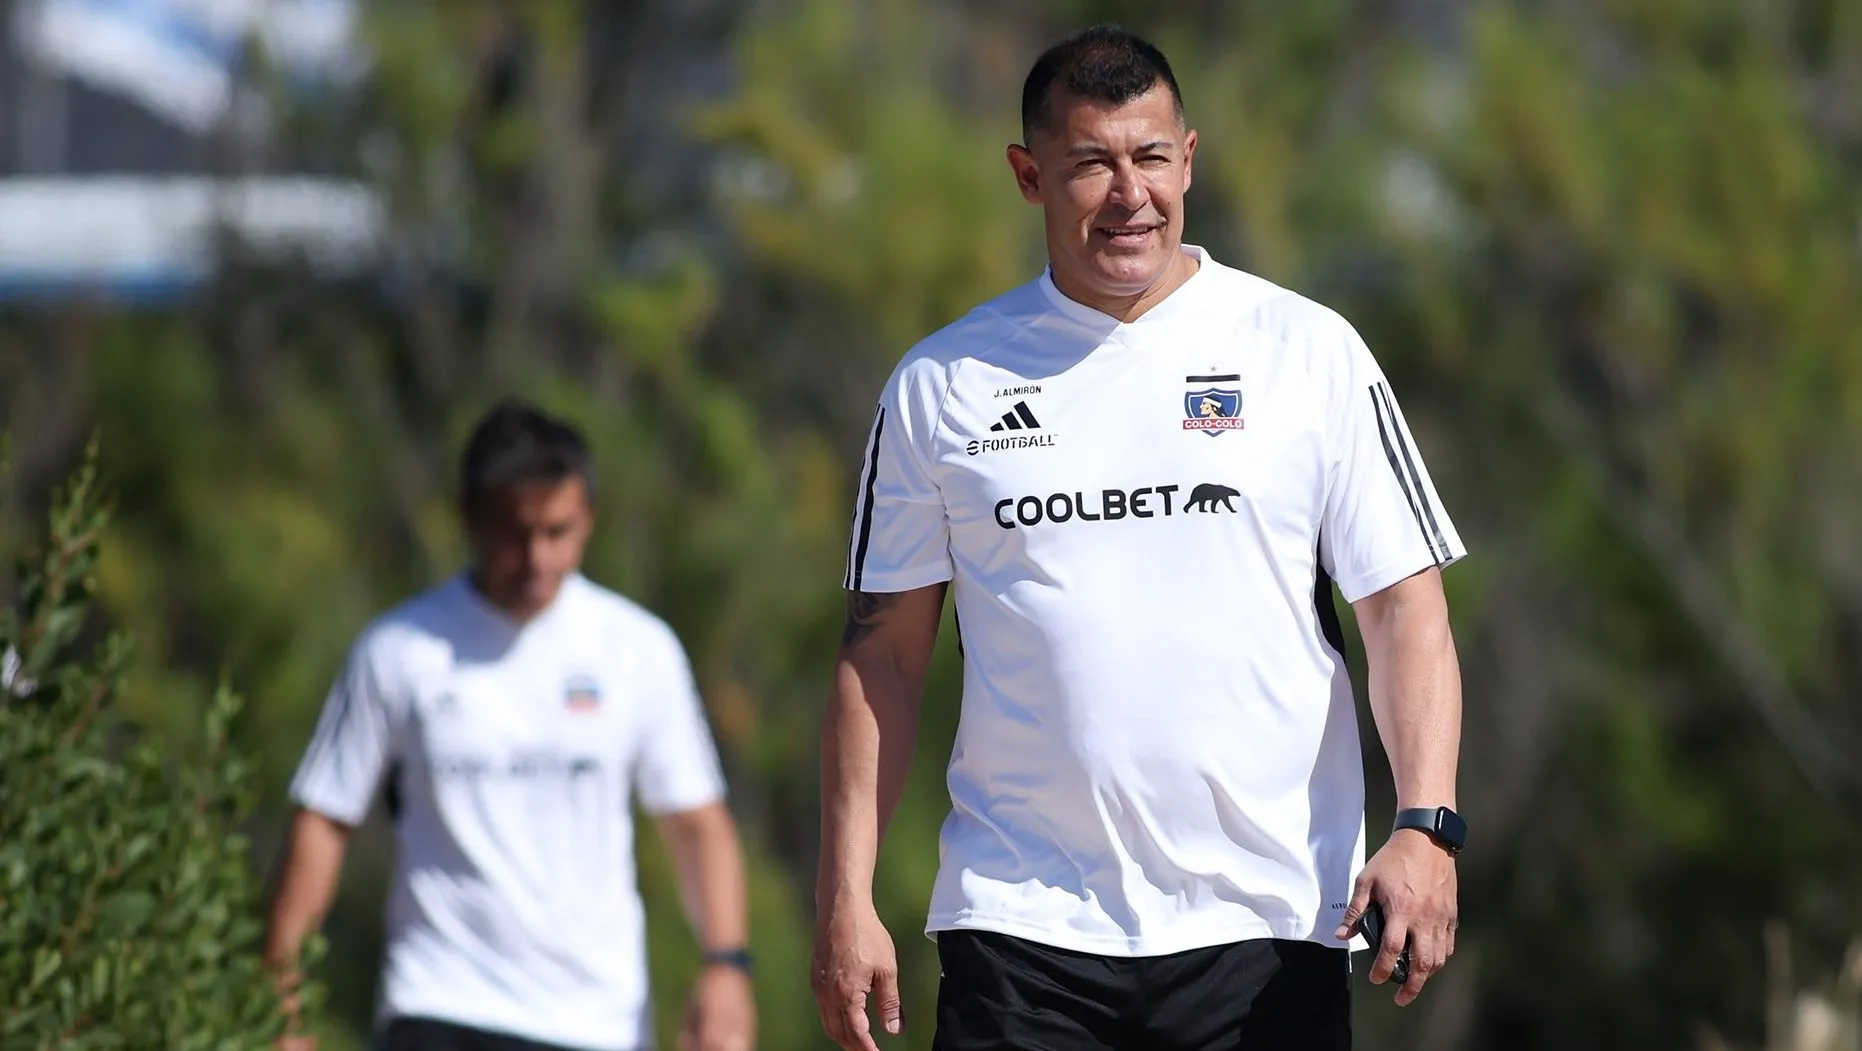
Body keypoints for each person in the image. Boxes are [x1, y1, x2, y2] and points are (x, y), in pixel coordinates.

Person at [811, 23, 1469, 1051]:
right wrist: (843, 893)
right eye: (1090, 165)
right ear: (1029, 176)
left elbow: (1402, 608)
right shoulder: (941, 384)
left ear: (1188, 159)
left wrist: (1426, 824)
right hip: (1019, 928)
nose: (1129, 195)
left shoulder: (1306, 351)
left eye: (1150, 158)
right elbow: (882, 657)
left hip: (1265, 924)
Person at [264, 400, 757, 1051]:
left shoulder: (637, 648)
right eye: (514, 533)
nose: (536, 558)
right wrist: (279, 994)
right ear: (470, 519)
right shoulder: (399, 649)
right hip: (439, 1001)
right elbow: (325, 818)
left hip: (596, 1020)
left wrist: (726, 966)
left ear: (589, 520)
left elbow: (696, 822)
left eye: (558, 532)